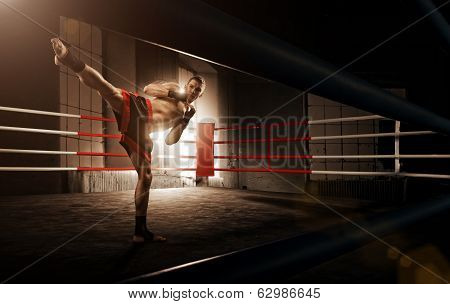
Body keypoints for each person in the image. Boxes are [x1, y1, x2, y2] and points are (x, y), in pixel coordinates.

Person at [51, 38, 205, 243]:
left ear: (199, 95)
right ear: (187, 84)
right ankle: (68, 58)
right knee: (107, 90)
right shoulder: (176, 87)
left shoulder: (188, 111)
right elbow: (148, 89)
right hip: (140, 109)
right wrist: (172, 92)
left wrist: (184, 123)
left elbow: (170, 141)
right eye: (192, 86)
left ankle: (140, 231)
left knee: (147, 176)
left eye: (197, 91)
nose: (193, 92)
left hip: (143, 132)